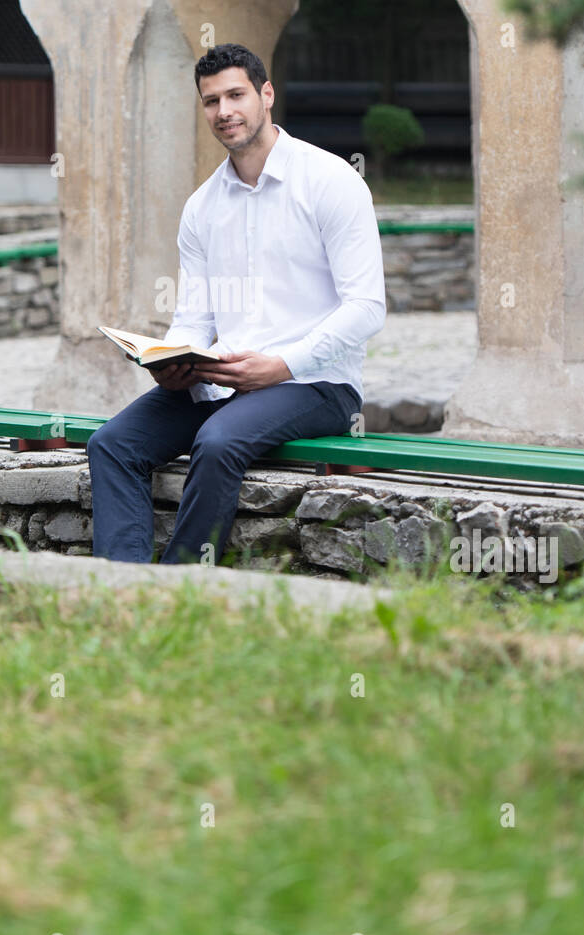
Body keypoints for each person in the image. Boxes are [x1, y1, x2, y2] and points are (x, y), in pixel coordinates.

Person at [86, 42, 386, 565]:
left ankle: (180, 587)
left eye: (236, 95)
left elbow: (366, 307)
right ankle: (122, 585)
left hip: (317, 383)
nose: (224, 111)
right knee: (112, 444)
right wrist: (180, 362)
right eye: (210, 101)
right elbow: (196, 316)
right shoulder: (202, 207)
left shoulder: (332, 181)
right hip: (224, 381)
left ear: (266, 95)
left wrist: (282, 365)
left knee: (219, 441)